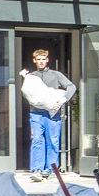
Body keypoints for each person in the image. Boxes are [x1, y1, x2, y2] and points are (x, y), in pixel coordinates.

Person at [24, 49, 75, 179]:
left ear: (47, 60)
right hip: (36, 113)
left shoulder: (56, 75)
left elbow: (71, 86)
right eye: (38, 59)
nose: (41, 62)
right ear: (34, 61)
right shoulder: (32, 76)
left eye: (43, 59)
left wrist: (63, 100)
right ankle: (37, 170)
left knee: (53, 141)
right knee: (37, 140)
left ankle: (51, 170)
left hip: (52, 114)